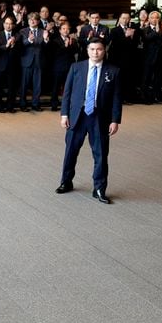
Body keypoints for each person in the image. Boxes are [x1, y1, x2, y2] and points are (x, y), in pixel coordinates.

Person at [56, 38, 122, 204]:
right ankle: (66, 181)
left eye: (99, 49)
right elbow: (67, 93)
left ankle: (99, 188)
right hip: (77, 117)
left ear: (104, 50)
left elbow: (116, 98)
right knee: (71, 150)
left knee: (100, 154)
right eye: (92, 49)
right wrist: (64, 114)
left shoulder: (113, 71)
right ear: (87, 50)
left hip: (99, 118)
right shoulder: (76, 68)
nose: (95, 52)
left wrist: (115, 120)